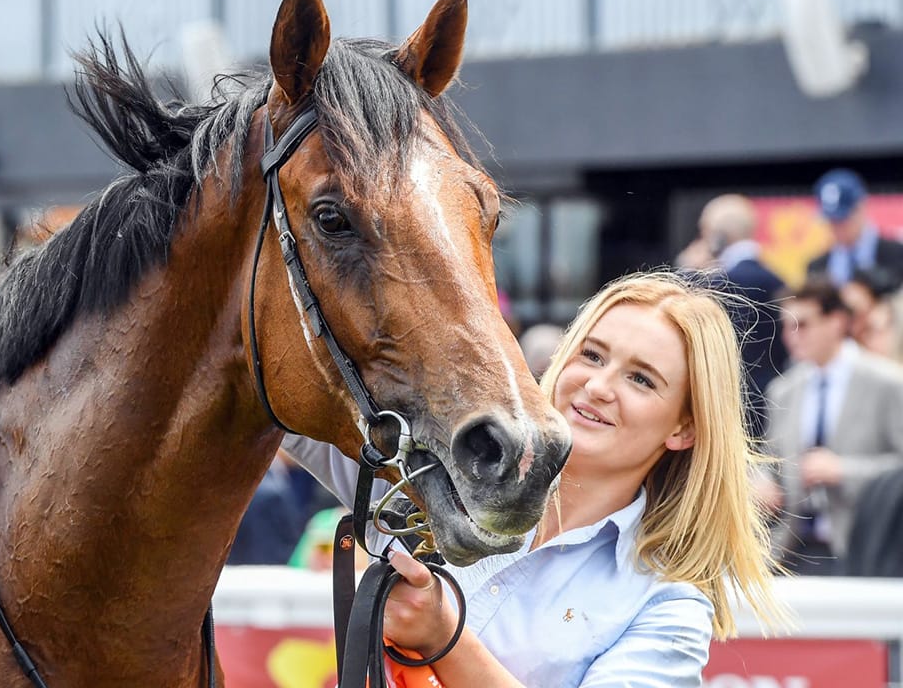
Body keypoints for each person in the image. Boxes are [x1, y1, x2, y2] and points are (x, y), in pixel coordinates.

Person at [286, 271, 784, 687]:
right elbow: (275, 406)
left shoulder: (668, 605)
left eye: (641, 379)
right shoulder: (440, 468)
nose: (597, 386)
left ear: (685, 427)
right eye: (591, 355)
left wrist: (445, 638)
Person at [757, 276, 903, 576]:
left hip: (864, 549)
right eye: (786, 325)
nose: (791, 335)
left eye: (803, 324)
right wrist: (758, 482)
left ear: (836, 322)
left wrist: (843, 471)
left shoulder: (887, 383)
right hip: (790, 550)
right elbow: (767, 459)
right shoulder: (783, 390)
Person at [689, 193, 788, 441]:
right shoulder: (775, 279)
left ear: (717, 235)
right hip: (771, 399)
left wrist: (687, 269)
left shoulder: (716, 282)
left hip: (729, 401)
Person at [807, 169, 903, 292]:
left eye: (843, 218)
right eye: (831, 221)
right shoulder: (817, 267)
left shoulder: (896, 255)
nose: (837, 227)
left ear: (862, 207)